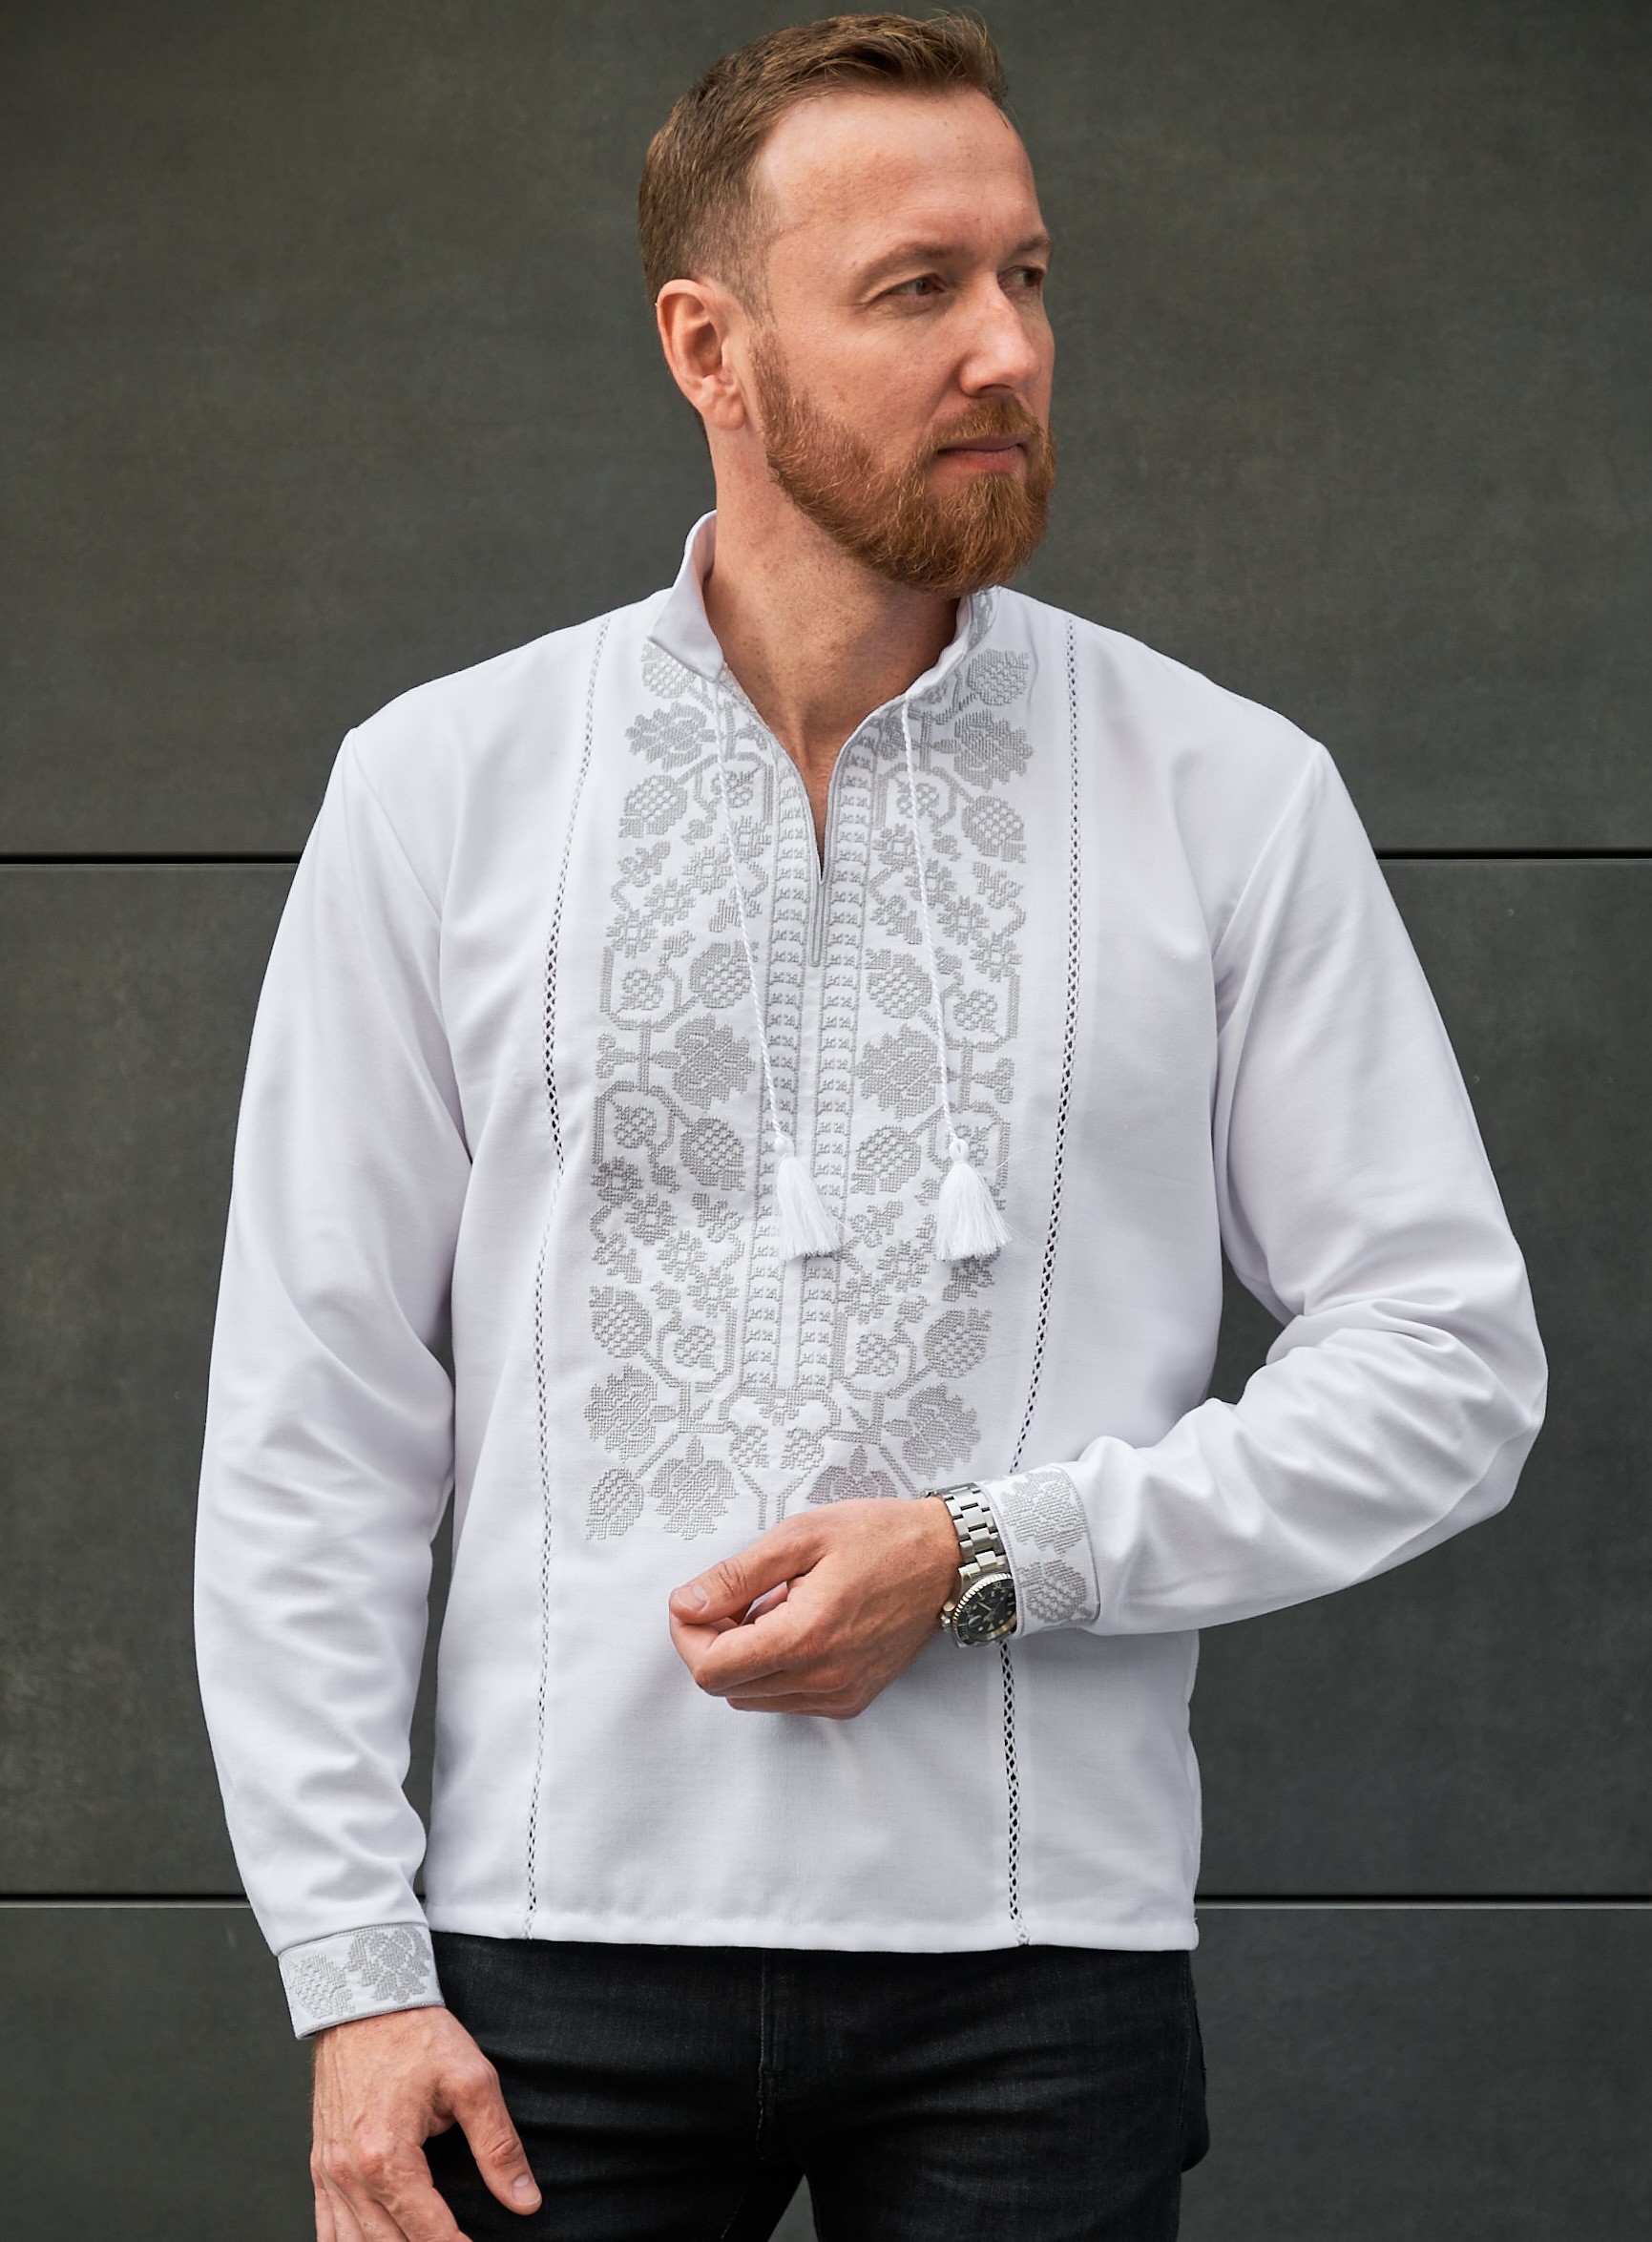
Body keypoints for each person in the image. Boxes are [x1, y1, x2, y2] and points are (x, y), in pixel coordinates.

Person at [195, 14, 1546, 2241]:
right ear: (706, 349)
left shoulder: (1225, 793)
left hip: (1041, 1955)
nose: (1004, 347)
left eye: (1025, 276)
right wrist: (352, 1968)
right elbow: (315, 1408)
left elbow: (1446, 1362)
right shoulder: (442, 788)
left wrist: (994, 1549)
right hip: (534, 1957)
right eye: (915, 288)